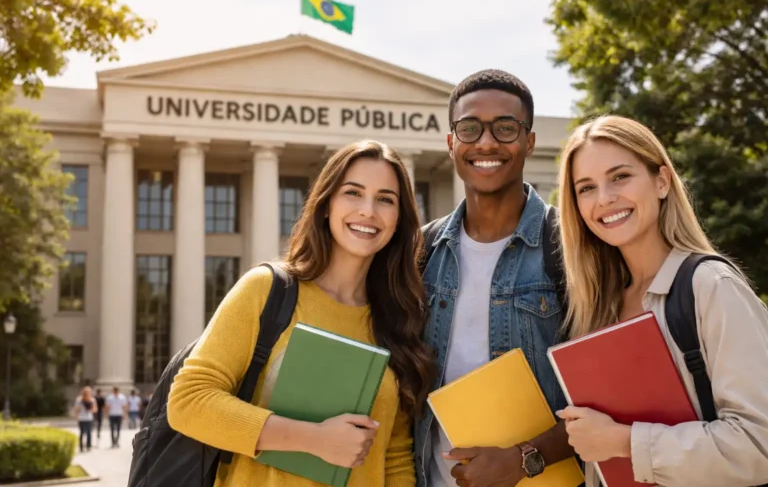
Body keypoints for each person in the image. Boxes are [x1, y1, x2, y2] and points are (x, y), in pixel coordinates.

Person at [168, 140, 435, 486]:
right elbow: (189, 402)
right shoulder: (267, 290)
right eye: (353, 193)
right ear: (326, 205)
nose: (368, 210)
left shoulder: (397, 320)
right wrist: (314, 439)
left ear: (399, 220)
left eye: (385, 199)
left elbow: (394, 455)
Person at [554, 115, 768, 487]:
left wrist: (624, 442)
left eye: (620, 176)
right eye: (586, 188)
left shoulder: (711, 286)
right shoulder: (599, 308)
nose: (604, 198)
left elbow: (759, 445)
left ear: (662, 181)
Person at [415, 69, 575, 487]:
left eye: (505, 128)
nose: (486, 142)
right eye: (470, 128)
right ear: (451, 143)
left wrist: (525, 460)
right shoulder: (421, 252)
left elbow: (609, 392)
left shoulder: (570, 248)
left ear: (529, 141)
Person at [73, 386, 97, 452]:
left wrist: (91, 408)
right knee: (82, 433)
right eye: (86, 392)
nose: (87, 393)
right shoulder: (79, 399)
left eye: (88, 392)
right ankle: (81, 447)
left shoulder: (92, 400)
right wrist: (76, 416)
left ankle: (88, 446)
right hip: (82, 418)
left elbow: (95, 409)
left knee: (89, 433)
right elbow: (76, 409)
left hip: (89, 418)